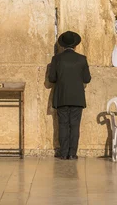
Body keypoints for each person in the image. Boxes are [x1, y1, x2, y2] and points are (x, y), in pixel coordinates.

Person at [48, 30, 91, 160]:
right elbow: (87, 78)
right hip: (77, 98)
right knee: (75, 125)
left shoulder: (56, 59)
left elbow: (52, 78)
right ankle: (72, 153)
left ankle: (63, 153)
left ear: (62, 45)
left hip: (62, 97)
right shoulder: (82, 59)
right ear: (75, 45)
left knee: (63, 125)